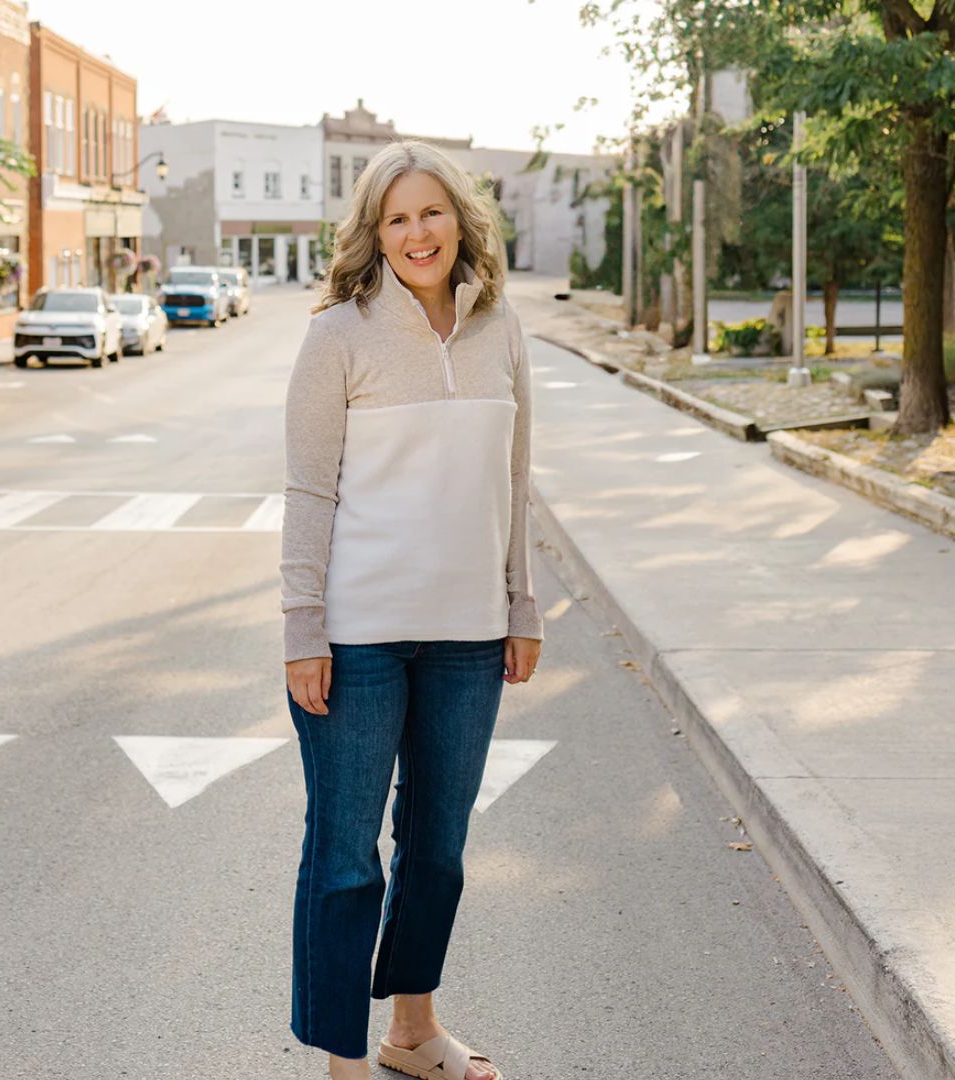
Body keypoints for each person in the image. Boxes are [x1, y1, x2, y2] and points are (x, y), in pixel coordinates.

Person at [280, 138, 544, 1080]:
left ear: (460, 220)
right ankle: (341, 1054)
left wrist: (523, 605)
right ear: (374, 235)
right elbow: (310, 492)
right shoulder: (339, 336)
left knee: (438, 848)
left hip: (471, 637)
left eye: (431, 211)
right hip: (356, 639)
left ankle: (411, 1032)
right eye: (396, 218)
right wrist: (302, 631)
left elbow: (515, 478)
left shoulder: (500, 326)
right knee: (346, 851)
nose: (416, 231)